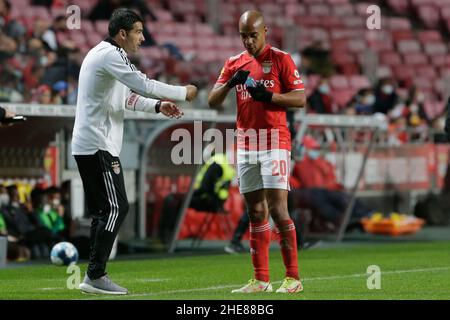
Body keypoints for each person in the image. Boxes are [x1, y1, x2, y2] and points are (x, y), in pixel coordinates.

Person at [72, 8, 198, 295]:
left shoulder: (107, 56)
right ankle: (95, 274)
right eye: (139, 32)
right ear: (122, 33)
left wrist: (157, 106)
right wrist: (180, 93)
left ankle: (94, 275)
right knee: (117, 207)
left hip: (91, 144)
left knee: (103, 210)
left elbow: (127, 96)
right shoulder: (109, 55)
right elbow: (142, 83)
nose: (143, 38)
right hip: (97, 144)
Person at [208, 10, 306, 294]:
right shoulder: (234, 63)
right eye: (244, 36)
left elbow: (300, 98)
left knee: (277, 209)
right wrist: (229, 83)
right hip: (246, 143)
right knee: (255, 212)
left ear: (265, 31)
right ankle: (261, 280)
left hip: (275, 141)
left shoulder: (280, 59)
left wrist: (270, 97)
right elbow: (213, 101)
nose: (248, 41)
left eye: (253, 35)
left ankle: (293, 277)